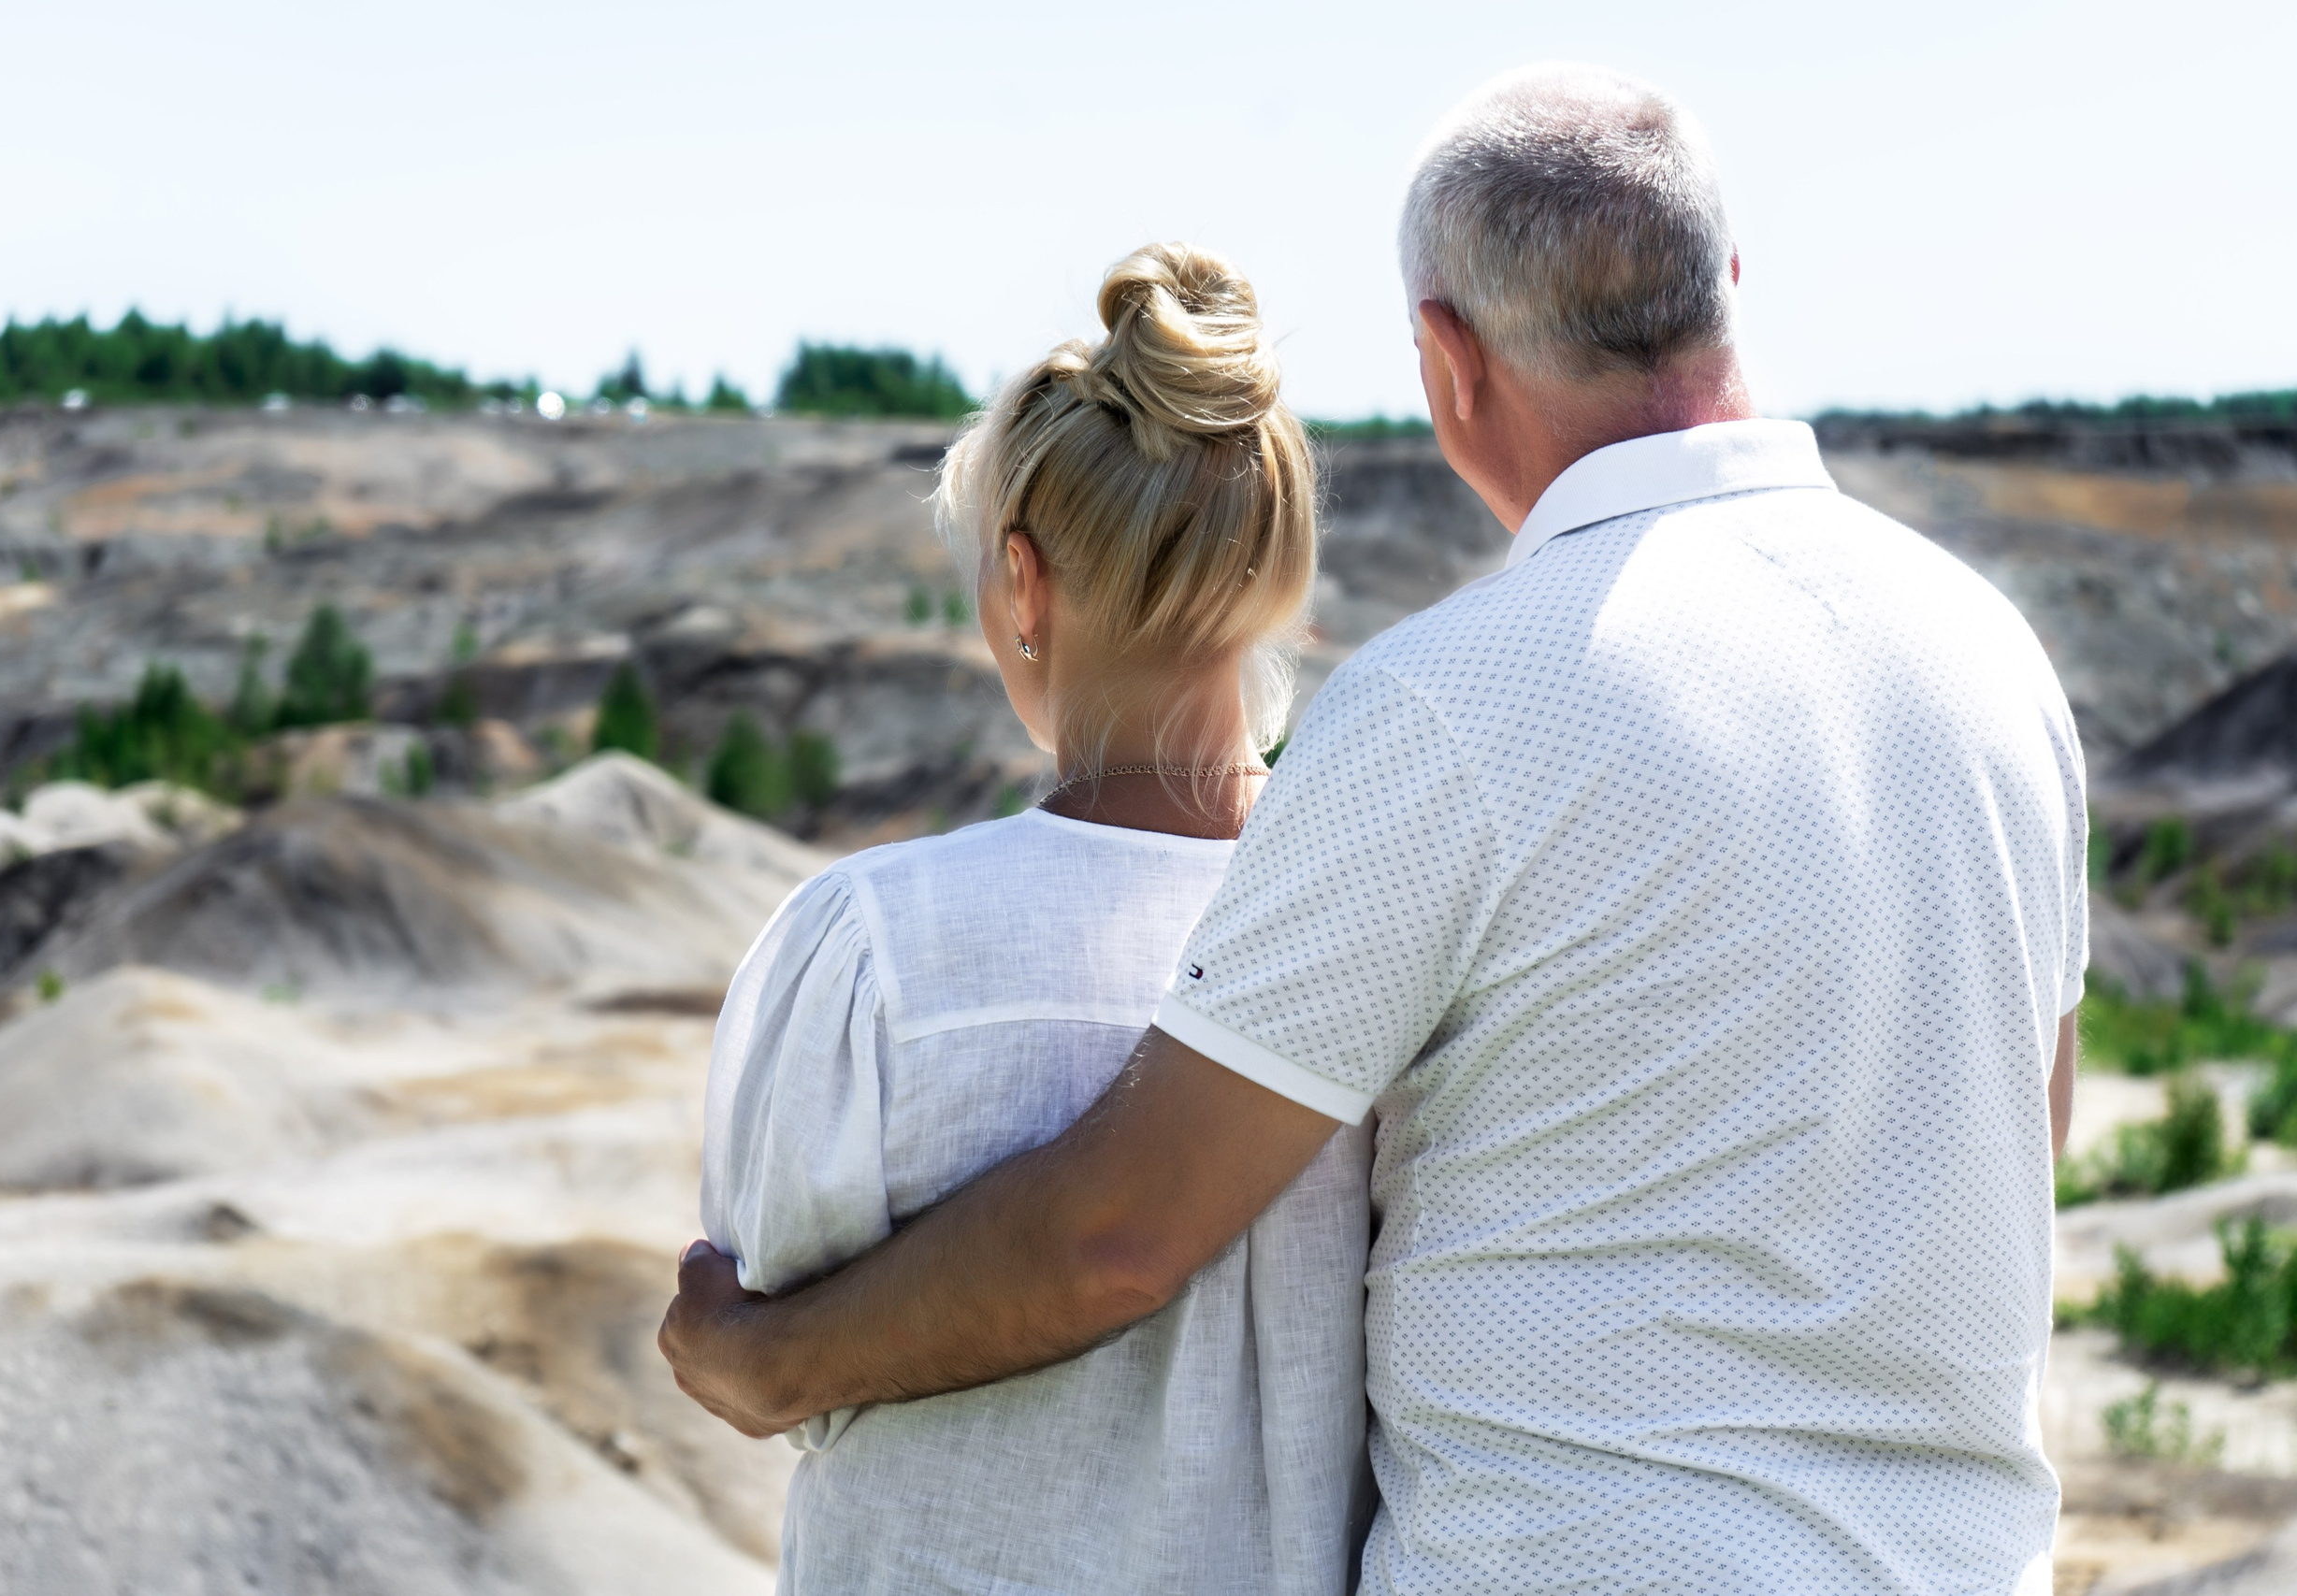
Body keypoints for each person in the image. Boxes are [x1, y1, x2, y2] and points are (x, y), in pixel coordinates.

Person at [666, 64, 2085, 1595]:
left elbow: (1121, 1234)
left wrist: (763, 1361)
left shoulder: (1456, 707)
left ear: (1446, 360)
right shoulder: (1994, 661)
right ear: (1728, 286)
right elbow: (2019, 1136)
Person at [694, 242, 1375, 1594]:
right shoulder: (1384, 935)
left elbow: (753, 1297)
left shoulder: (874, 950)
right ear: (1273, 576)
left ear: (1023, 584)